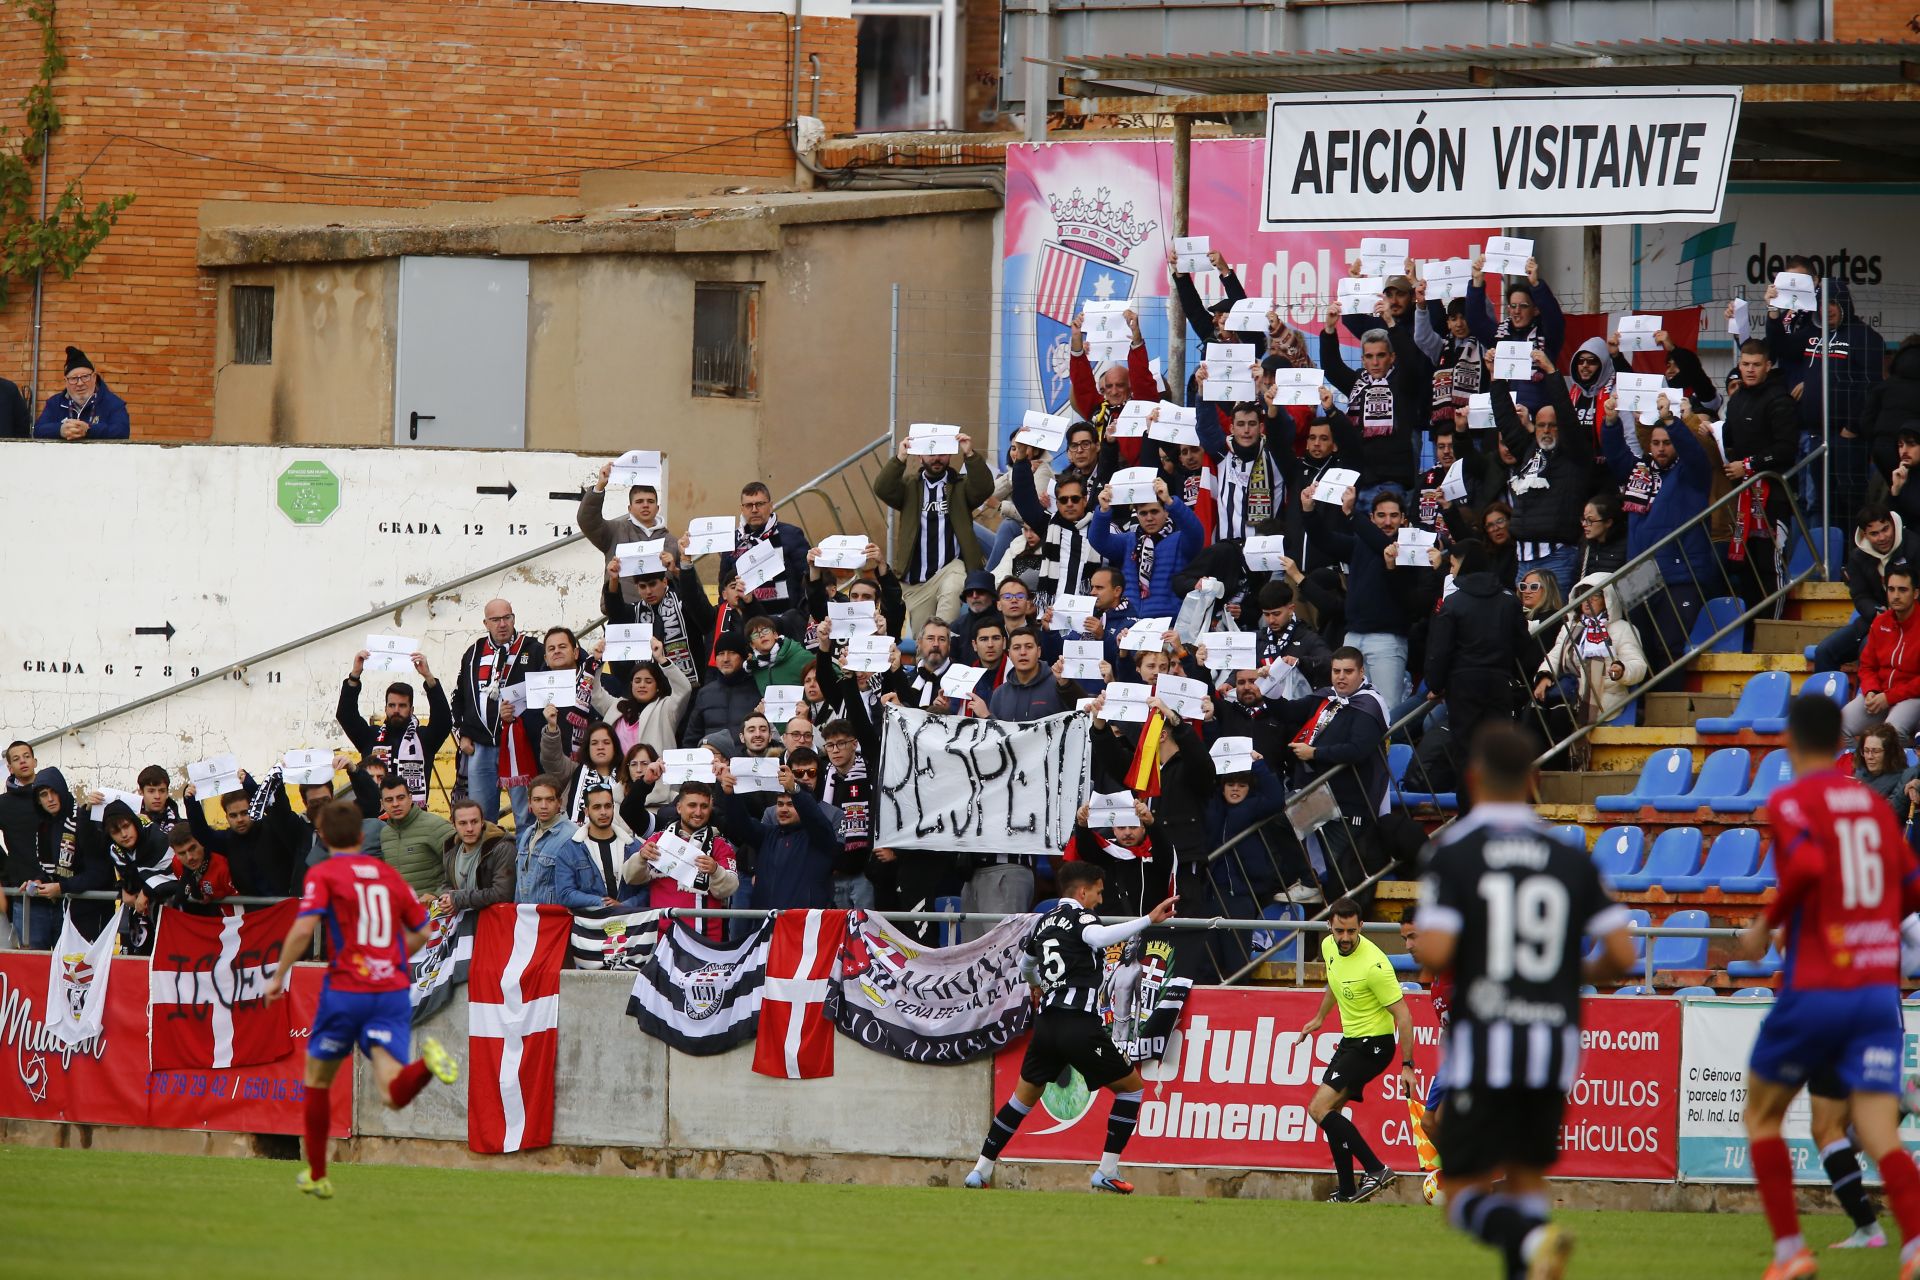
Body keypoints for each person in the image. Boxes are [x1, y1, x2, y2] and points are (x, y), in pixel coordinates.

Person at [1414, 722, 1636, 1280]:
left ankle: (1534, 1238)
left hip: (1485, 1040)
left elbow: (1435, 951)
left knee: (1462, 1195)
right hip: (1552, 1045)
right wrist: (1565, 969)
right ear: (1536, 781)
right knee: (1525, 1179)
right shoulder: (1568, 857)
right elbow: (1621, 956)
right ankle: (1535, 1243)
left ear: (1473, 779)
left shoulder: (1455, 852)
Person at [1732, 693, 1920, 1280]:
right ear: (1842, 742)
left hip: (1817, 984)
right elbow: (1911, 890)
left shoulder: (1792, 801)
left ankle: (1791, 1252)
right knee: (1880, 1130)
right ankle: (1914, 1248)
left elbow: (1809, 868)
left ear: (1791, 740)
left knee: (1762, 1115)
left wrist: (1768, 922)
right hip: (1873, 992)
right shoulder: (1869, 807)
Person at [263, 799, 460, 1200]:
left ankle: (317, 1173)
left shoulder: (325, 873)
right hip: (389, 993)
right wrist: (388, 957)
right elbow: (422, 931)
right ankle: (427, 1063)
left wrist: (279, 974)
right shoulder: (390, 877)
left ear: (323, 836)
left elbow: (304, 928)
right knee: (391, 1090)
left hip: (347, 989)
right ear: (361, 834)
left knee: (317, 1080)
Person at [962, 863, 1178, 1194]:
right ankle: (1106, 1170)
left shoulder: (1042, 922)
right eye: (1099, 892)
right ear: (1083, 891)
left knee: (1022, 1100)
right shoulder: (1083, 920)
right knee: (1132, 1088)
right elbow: (1100, 937)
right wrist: (1149, 919)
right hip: (1078, 1024)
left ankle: (980, 1170)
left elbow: (1026, 966)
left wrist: (1036, 985)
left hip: (1046, 1026)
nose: (1100, 899)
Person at [1295, 897, 1418, 1203]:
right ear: (1330, 927)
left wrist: (1407, 1065)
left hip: (1375, 1045)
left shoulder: (1375, 965)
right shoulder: (1328, 947)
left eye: (1351, 931)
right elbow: (1334, 984)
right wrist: (1320, 1017)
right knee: (1331, 1112)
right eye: (1339, 931)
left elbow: (1403, 1015)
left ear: (1361, 927)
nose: (1345, 938)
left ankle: (1376, 1169)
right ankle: (1348, 1191)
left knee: (1318, 1109)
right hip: (1352, 1040)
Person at [873, 431, 995, 633]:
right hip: (916, 581)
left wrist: (970, 454)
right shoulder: (909, 486)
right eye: (931, 453)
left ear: (950, 455)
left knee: (942, 629)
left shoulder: (960, 486)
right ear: (920, 455)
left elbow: (984, 488)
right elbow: (883, 488)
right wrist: (900, 457)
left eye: (943, 453)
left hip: (950, 568)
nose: (937, 458)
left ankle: (946, 644)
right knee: (925, 644)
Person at [1493, 349, 1591, 595]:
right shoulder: (1528, 449)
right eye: (1541, 425)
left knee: (1551, 623)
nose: (1546, 431)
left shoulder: (1574, 455)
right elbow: (1505, 420)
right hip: (1523, 558)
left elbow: (1568, 417)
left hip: (1555, 557)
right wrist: (1495, 378)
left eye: (1553, 426)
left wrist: (1551, 373)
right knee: (1526, 628)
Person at [1317, 301, 1434, 497]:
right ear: (1362, 360)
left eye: (1381, 355)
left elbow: (1411, 362)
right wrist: (1329, 328)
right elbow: (1332, 367)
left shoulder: (1403, 382)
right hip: (1360, 479)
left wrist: (1389, 321)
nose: (1375, 362)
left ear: (1392, 357)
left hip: (1395, 481)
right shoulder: (1358, 382)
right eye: (1369, 356)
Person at [452, 598, 539, 832]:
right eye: (495, 619)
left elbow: (545, 693)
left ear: (514, 619)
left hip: (518, 746)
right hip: (481, 746)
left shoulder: (533, 648)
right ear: (486, 623)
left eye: (507, 618)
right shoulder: (474, 652)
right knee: (481, 817)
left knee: (525, 817)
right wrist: (463, 733)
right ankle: (485, 866)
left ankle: (525, 865)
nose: (502, 624)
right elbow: (459, 696)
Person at [623, 781, 739, 942]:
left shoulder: (720, 845)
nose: (698, 812)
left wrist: (715, 870)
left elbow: (729, 889)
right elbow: (630, 877)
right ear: (679, 808)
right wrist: (641, 857)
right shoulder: (659, 840)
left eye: (704, 806)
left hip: (705, 939)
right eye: (692, 805)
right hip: (662, 937)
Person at [337, 649, 452, 810]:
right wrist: (355, 675)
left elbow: (444, 721)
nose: (396, 710)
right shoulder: (370, 736)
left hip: (414, 817)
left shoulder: (424, 738)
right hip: (375, 815)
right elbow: (345, 714)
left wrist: (429, 678)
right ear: (385, 708)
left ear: (411, 710)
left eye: (402, 705)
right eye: (392, 705)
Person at [1535, 573, 1650, 732]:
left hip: (1605, 695)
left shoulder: (1623, 629)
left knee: (1561, 711)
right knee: (1535, 708)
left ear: (1607, 600)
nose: (1587, 601)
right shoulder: (1570, 626)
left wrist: (1622, 670)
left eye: (1594, 596)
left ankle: (1566, 754)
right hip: (1570, 688)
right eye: (1582, 596)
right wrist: (1545, 676)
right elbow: (1555, 655)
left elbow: (1637, 665)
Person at [720, 760, 837, 909]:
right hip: (767, 923)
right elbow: (740, 824)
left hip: (804, 925)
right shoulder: (767, 835)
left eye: (790, 804)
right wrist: (730, 795)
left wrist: (795, 791)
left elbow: (815, 818)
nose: (783, 809)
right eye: (780, 804)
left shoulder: (819, 837)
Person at [1818, 504, 1920, 673]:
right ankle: (1823, 700)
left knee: (1868, 649)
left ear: (1893, 525)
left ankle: (1869, 696)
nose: (1882, 537)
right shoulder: (1857, 557)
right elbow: (1860, 595)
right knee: (1824, 652)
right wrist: (1875, 612)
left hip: (1912, 624)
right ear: (1864, 534)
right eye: (1874, 533)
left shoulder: (1915, 547)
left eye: (1885, 529)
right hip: (1873, 621)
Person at [1088, 475, 1205, 617]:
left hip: (1168, 622)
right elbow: (1098, 540)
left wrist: (1170, 501)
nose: (1149, 518)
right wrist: (1103, 510)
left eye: (1154, 511)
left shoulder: (1180, 539)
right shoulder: (1129, 541)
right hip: (1129, 621)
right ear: (1137, 515)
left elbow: (1196, 532)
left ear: (1166, 512)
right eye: (1143, 513)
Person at [1465, 256, 1564, 411]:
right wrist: (1477, 282)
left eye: (1523, 306)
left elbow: (1554, 318)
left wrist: (1536, 285)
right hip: (1507, 416)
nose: (1516, 312)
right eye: (1512, 306)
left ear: (1536, 309)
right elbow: (1475, 320)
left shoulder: (1547, 336)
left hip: (1538, 418)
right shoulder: (1500, 334)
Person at [1844, 566, 1920, 745]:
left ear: (1915, 593)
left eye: (1903, 590)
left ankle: (1898, 773)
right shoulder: (1880, 622)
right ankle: (1860, 769)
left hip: (1912, 697)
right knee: (1837, 727)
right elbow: (1867, 666)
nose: (1896, 596)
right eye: (1891, 589)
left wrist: (1889, 697)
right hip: (1880, 693)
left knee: (1889, 735)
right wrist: (1871, 690)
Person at [579, 464, 673, 604]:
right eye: (639, 501)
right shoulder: (614, 532)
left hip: (661, 619)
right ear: (629, 508)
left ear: (657, 508)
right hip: (622, 615)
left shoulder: (672, 542)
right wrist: (600, 486)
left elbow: (684, 583)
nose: (645, 505)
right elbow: (587, 520)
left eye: (650, 501)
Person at [716, 481, 810, 621]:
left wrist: (802, 615)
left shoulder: (791, 535)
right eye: (748, 505)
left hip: (786, 621)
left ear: (771, 506)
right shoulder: (733, 541)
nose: (754, 510)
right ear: (742, 509)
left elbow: (807, 578)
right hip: (747, 622)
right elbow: (723, 586)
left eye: (760, 504)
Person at [563, 785, 646, 911]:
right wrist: (602, 902)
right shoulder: (570, 849)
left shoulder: (633, 846)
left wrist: (624, 906)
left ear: (613, 808)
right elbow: (565, 893)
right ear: (586, 811)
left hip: (630, 922)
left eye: (607, 806)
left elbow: (648, 889)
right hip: (589, 924)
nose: (603, 812)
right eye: (596, 807)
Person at [374, 774, 454, 898]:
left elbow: (461, 868)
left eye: (400, 798)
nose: (395, 804)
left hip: (433, 912)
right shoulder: (385, 833)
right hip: (401, 912)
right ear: (382, 804)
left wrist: (438, 895)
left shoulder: (435, 825)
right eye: (389, 800)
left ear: (410, 798)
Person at [434, 798, 516, 914]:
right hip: (462, 921)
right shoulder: (450, 847)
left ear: (482, 822)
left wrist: (458, 899)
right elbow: (447, 883)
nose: (469, 829)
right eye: (462, 823)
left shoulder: (502, 847)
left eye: (474, 822)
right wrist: (446, 897)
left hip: (495, 920)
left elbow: (502, 894)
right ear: (453, 825)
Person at [31, 346, 130, 439]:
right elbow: (38, 430)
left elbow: (122, 431)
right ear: (66, 381)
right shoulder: (54, 403)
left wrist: (89, 430)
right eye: (73, 378)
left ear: (94, 377)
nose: (80, 383)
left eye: (85, 377)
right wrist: (60, 430)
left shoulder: (113, 403)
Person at [514, 774, 579, 906]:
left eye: (549, 799)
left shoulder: (573, 835)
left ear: (559, 802)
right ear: (529, 802)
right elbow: (520, 882)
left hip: (554, 918)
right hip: (526, 917)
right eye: (537, 800)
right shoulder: (527, 833)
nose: (543, 805)